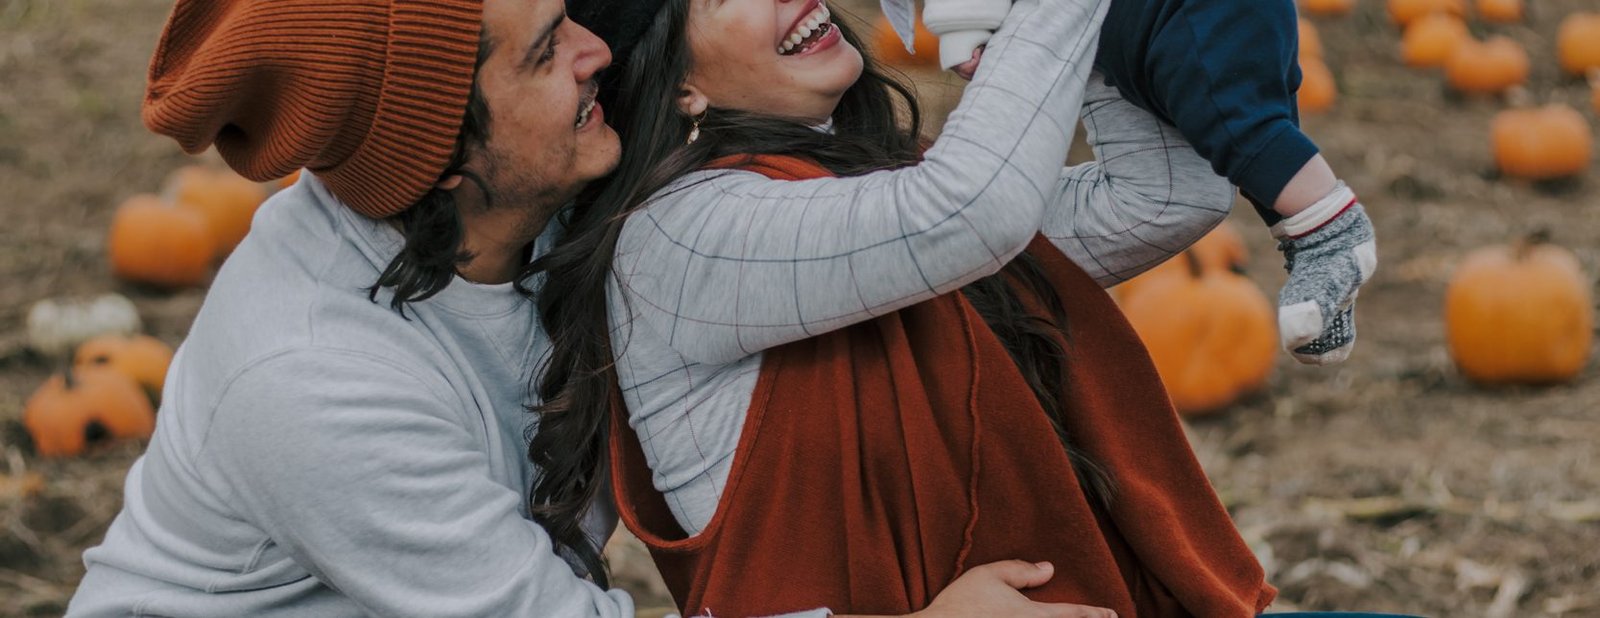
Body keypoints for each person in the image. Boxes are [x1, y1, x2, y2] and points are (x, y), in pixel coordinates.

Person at [67, 0, 1095, 616]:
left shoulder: (570, 201)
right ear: (447, 154)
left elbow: (918, 239)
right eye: (547, 47)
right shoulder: (311, 385)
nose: (597, 50)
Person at [537, 0, 1276, 615]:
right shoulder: (679, 239)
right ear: (679, 87)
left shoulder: (885, 189)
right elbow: (972, 210)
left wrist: (1121, 31)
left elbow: (1166, 197)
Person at [907, 0, 1378, 365]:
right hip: (1137, 31)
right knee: (1246, 121)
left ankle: (1329, 233)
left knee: (1237, 121)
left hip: (1170, 19)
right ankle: (1314, 258)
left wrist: (961, 25)